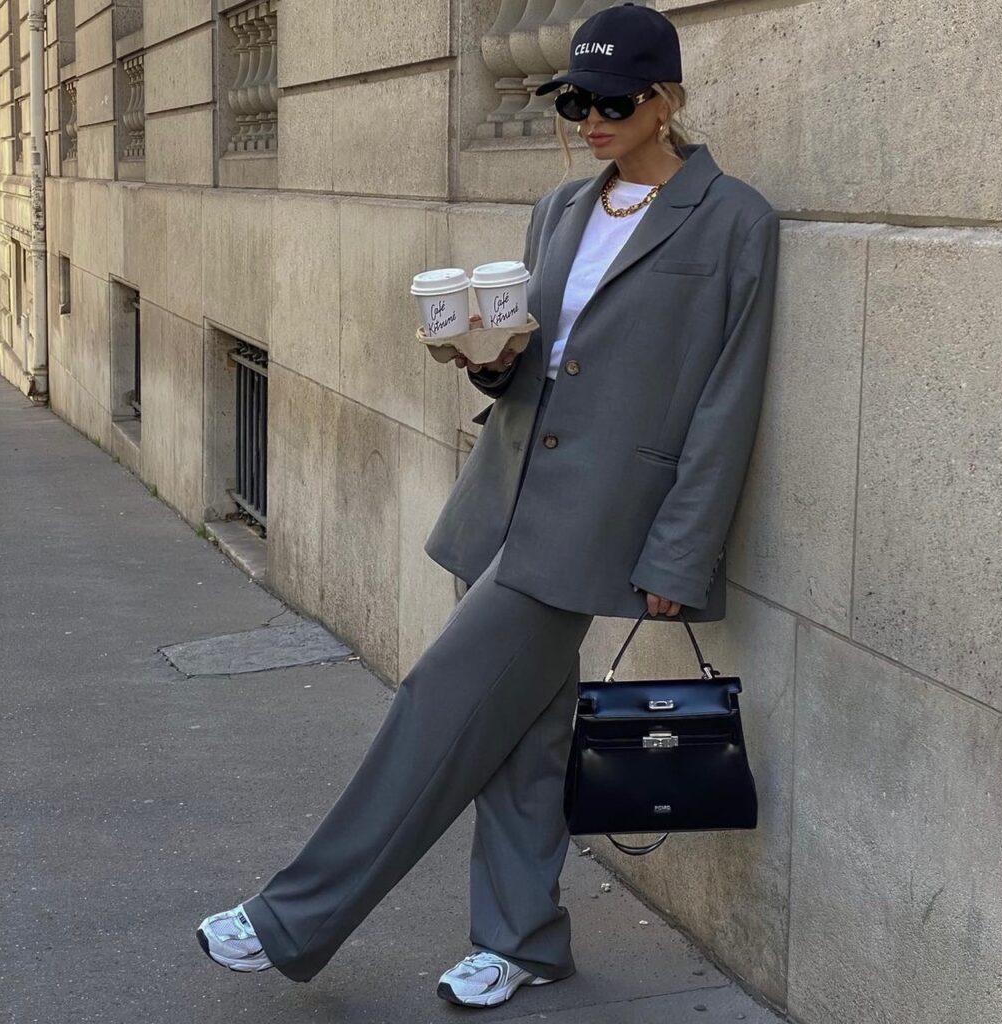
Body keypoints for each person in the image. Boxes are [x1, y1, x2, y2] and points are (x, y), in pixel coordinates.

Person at [196, 1, 780, 1010]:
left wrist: (680, 556)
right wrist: (486, 360)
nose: (587, 117)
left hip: (598, 523)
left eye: (609, 99)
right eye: (570, 98)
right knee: (523, 736)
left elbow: (728, 399)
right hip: (504, 495)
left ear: (666, 100)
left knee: (438, 701)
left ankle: (294, 916)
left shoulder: (733, 220)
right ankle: (522, 939)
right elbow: (532, 366)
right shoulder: (559, 209)